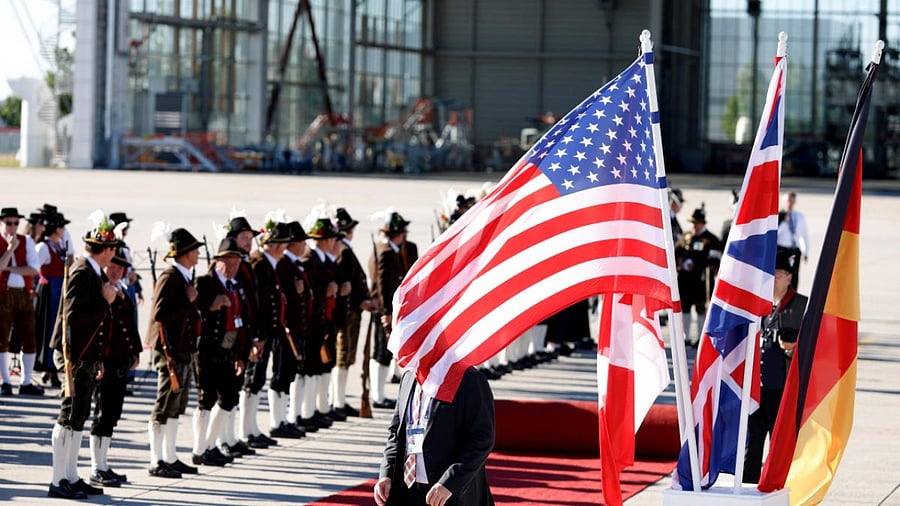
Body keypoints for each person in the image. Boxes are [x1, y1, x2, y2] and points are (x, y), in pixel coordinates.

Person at [48, 212, 119, 499]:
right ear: (106, 250)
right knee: (68, 415)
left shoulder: (92, 271)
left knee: (78, 416)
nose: (115, 254)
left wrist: (97, 356)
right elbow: (72, 317)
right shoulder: (81, 271)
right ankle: (57, 480)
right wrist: (105, 301)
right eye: (113, 249)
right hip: (73, 355)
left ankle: (71, 475)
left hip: (86, 354)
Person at [373, 367, 495, 506]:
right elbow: (396, 432)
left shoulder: (468, 378)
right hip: (408, 490)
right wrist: (386, 473)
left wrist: (450, 482)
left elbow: (482, 439)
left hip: (449, 495)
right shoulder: (409, 376)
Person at [743, 249, 808, 484]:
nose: (774, 279)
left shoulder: (801, 306)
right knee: (752, 446)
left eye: (779, 274)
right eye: (771, 274)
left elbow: (811, 350)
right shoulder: (758, 304)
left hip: (782, 391)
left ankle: (781, 488)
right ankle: (749, 490)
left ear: (790, 277)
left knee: (780, 447)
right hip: (756, 390)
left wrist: (791, 349)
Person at [147, 227, 204, 479]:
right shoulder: (170, 277)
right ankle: (156, 459)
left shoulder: (184, 276)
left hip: (183, 349)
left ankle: (169, 457)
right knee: (163, 404)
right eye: (195, 250)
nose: (198, 253)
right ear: (185, 253)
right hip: (169, 350)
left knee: (176, 405)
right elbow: (159, 314)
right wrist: (188, 301)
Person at [192, 237, 253, 467]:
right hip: (207, 351)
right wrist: (210, 305)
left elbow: (242, 321)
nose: (234, 267)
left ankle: (208, 445)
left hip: (228, 351)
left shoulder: (235, 285)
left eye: (237, 262)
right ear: (217, 261)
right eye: (229, 262)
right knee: (205, 398)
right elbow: (193, 312)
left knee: (229, 397)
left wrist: (241, 354)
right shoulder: (205, 283)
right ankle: (200, 450)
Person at [90, 245, 142, 487]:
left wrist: (135, 351)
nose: (116, 271)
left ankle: (104, 464)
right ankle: (96, 467)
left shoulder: (122, 290)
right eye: (112, 266)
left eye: (120, 268)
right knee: (102, 413)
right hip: (106, 360)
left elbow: (130, 325)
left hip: (120, 359)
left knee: (112, 414)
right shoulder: (102, 290)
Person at [333, 208, 377, 417]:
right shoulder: (343, 252)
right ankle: (337, 401)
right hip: (347, 313)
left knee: (347, 358)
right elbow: (345, 285)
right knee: (342, 358)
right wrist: (360, 302)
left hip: (354, 312)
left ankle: (339, 400)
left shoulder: (345, 250)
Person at [369, 211, 412, 409]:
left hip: (383, 309)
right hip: (384, 310)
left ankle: (377, 393)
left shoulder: (382, 248)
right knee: (382, 352)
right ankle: (377, 395)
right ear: (399, 234)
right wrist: (387, 311)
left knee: (381, 351)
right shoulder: (387, 253)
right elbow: (384, 286)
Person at [0, 207, 44, 396]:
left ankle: (25, 382)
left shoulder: (27, 241)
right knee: (2, 339)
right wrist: (10, 250)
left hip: (23, 293)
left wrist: (10, 269)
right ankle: (6, 381)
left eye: (16, 223)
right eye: (9, 223)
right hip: (3, 294)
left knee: (29, 337)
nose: (13, 227)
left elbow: (34, 269)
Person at [675, 205, 723, 346]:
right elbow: (676, 252)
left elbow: (715, 259)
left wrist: (696, 263)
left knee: (701, 308)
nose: (694, 226)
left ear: (703, 223)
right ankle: (686, 336)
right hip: (685, 280)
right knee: (685, 307)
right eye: (693, 223)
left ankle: (701, 337)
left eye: (697, 223)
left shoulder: (711, 239)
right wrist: (682, 262)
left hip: (702, 281)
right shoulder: (686, 237)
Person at [35, 212, 70, 388]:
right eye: (61, 227)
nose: (64, 230)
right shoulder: (43, 247)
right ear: (56, 229)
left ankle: (53, 368)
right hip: (49, 292)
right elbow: (35, 267)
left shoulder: (59, 245)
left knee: (57, 329)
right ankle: (48, 367)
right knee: (49, 329)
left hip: (59, 291)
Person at [776, 192, 809, 288]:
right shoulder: (779, 216)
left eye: (792, 201)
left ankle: (793, 295)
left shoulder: (799, 216)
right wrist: (782, 222)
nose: (790, 203)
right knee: (780, 274)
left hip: (794, 249)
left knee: (794, 276)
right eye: (788, 201)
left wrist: (806, 251)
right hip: (781, 249)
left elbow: (804, 235)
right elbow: (774, 234)